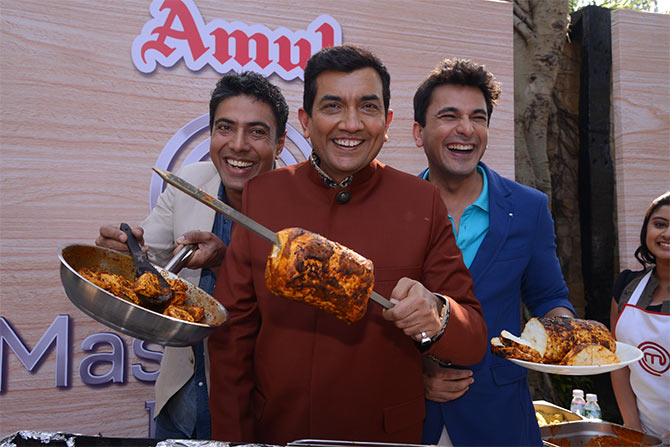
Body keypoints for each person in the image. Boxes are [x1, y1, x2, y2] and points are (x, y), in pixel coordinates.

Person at [207, 45, 487, 444]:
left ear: (387, 122)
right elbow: (232, 338)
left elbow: (473, 336)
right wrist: (234, 442)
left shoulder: (421, 201)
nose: (351, 124)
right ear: (305, 121)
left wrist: (439, 314)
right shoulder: (263, 195)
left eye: (368, 108)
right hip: (279, 431)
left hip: (384, 436)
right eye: (333, 106)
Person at [94, 71, 288, 440]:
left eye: (257, 132)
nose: (238, 145)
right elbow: (147, 263)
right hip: (184, 396)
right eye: (225, 128)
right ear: (212, 133)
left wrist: (227, 263)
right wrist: (121, 252)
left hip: (262, 408)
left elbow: (304, 310)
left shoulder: (302, 203)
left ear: (279, 144)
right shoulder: (191, 182)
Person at [412, 58, 575, 446]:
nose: (466, 129)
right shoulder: (391, 206)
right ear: (419, 132)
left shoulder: (529, 207)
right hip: (412, 416)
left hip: (500, 417)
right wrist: (413, 372)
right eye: (449, 116)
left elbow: (549, 297)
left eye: (478, 117)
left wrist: (569, 334)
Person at [610, 191, 669, 440]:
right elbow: (618, 359)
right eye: (659, 224)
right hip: (645, 433)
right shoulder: (626, 287)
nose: (666, 234)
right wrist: (632, 425)